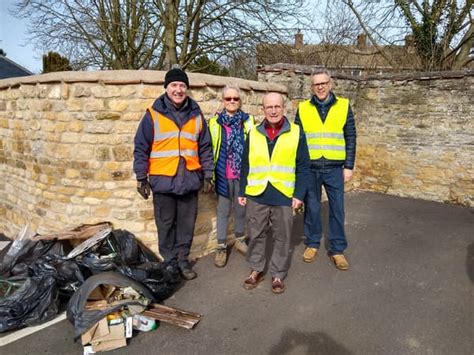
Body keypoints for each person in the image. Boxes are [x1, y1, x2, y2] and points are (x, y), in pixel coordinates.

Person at [133, 66, 214, 280]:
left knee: (187, 226)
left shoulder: (196, 115)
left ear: (186, 88)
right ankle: (169, 263)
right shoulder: (153, 115)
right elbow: (141, 147)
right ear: (166, 88)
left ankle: (183, 261)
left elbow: (205, 146)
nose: (178, 89)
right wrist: (141, 177)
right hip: (163, 182)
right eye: (174, 85)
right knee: (166, 225)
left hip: (189, 180)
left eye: (182, 85)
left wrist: (208, 175)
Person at [238, 92, 310, 294]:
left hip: (283, 194)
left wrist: (299, 195)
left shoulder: (296, 132)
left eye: (277, 106)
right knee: (255, 234)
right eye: (269, 107)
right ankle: (256, 269)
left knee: (282, 236)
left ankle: (278, 273)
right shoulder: (253, 133)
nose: (273, 110)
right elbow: (245, 164)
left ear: (284, 108)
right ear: (263, 110)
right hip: (257, 193)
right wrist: (243, 189)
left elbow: (304, 167)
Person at [295, 68, 357, 270]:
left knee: (337, 209)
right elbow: (297, 139)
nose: (320, 87)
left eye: (323, 83)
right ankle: (312, 244)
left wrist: (348, 166)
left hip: (334, 168)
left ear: (330, 84)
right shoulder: (303, 108)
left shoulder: (343, 106)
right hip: (310, 168)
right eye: (316, 84)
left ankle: (337, 249)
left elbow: (350, 137)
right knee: (312, 208)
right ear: (312, 87)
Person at [208, 85, 255, 268]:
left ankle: (240, 239)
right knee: (223, 211)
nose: (232, 101)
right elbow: (209, 148)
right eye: (228, 99)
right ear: (223, 101)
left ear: (240, 101)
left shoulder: (248, 121)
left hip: (242, 174)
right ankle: (220, 246)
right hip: (222, 173)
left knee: (241, 209)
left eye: (235, 98)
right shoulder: (214, 123)